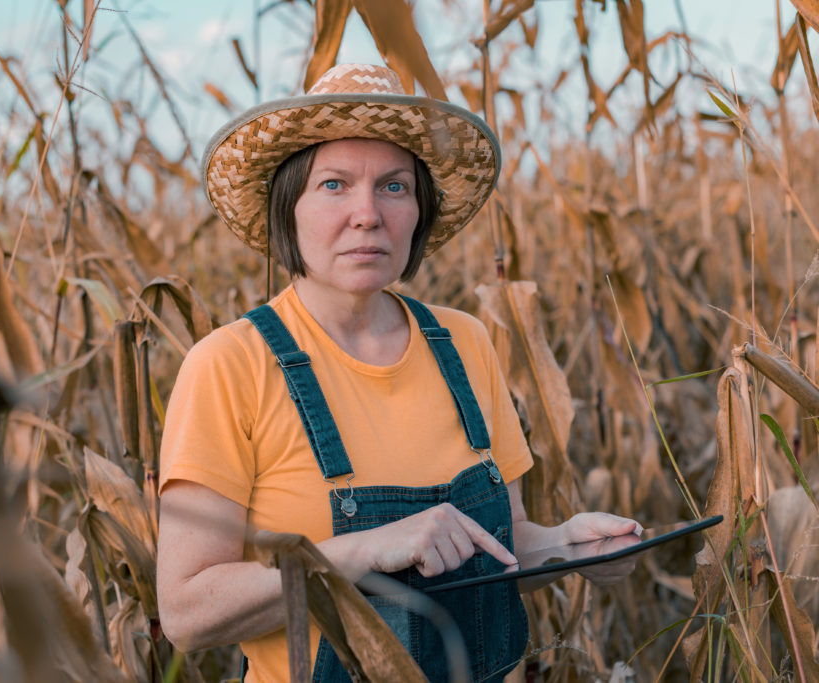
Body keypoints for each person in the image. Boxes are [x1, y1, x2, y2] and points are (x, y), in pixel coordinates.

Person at [156, 63, 641, 682]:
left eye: (393, 186)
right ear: (289, 206)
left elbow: (501, 540)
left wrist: (571, 545)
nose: (367, 214)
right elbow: (188, 611)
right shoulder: (229, 366)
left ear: (419, 211)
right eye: (333, 185)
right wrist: (358, 551)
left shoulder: (464, 342)